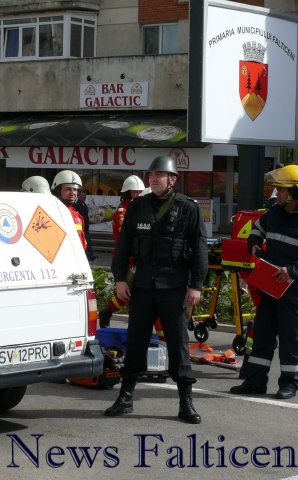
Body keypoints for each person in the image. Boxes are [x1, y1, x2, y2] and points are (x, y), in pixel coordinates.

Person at [104, 155, 208, 424]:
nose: (153, 179)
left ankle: (185, 403)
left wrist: (196, 285)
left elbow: (199, 249)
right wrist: (120, 279)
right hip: (142, 287)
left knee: (178, 344)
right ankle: (125, 397)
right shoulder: (138, 206)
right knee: (135, 341)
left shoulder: (188, 208)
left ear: (172, 179)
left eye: (159, 175)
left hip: (174, 287)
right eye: (151, 175)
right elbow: (123, 245)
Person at [230, 164, 298, 400]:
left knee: (290, 341)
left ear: (294, 192)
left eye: (281, 190)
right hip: (271, 289)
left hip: (296, 293)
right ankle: (255, 382)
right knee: (262, 338)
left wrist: (291, 271)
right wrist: (254, 244)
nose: (277, 193)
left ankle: (289, 384)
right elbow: (256, 231)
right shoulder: (274, 213)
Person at [98, 174, 145, 328]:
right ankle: (108, 312)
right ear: (127, 192)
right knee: (127, 293)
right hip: (127, 258)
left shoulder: (140, 206)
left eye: (140, 192)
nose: (138, 194)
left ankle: (108, 312)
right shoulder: (122, 211)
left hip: (139, 257)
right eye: (135, 192)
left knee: (133, 294)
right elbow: (127, 238)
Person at [51, 170, 87, 251]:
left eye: (75, 189)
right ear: (58, 190)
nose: (73, 193)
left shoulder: (76, 214)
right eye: (68, 189)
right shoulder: (51, 212)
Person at [74, 190, 96, 261]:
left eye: (85, 196)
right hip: (80, 228)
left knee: (88, 242)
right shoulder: (76, 205)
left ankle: (90, 256)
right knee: (83, 243)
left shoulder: (84, 205)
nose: (84, 197)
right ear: (78, 196)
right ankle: (86, 256)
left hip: (86, 228)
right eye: (82, 196)